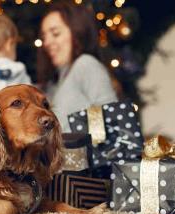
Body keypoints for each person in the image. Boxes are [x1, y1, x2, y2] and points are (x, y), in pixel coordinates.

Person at [37, 2, 118, 132]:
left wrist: (82, 143)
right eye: (44, 36)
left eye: (55, 33)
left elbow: (110, 118)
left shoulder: (85, 64)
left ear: (77, 32)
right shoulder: (57, 81)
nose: (47, 42)